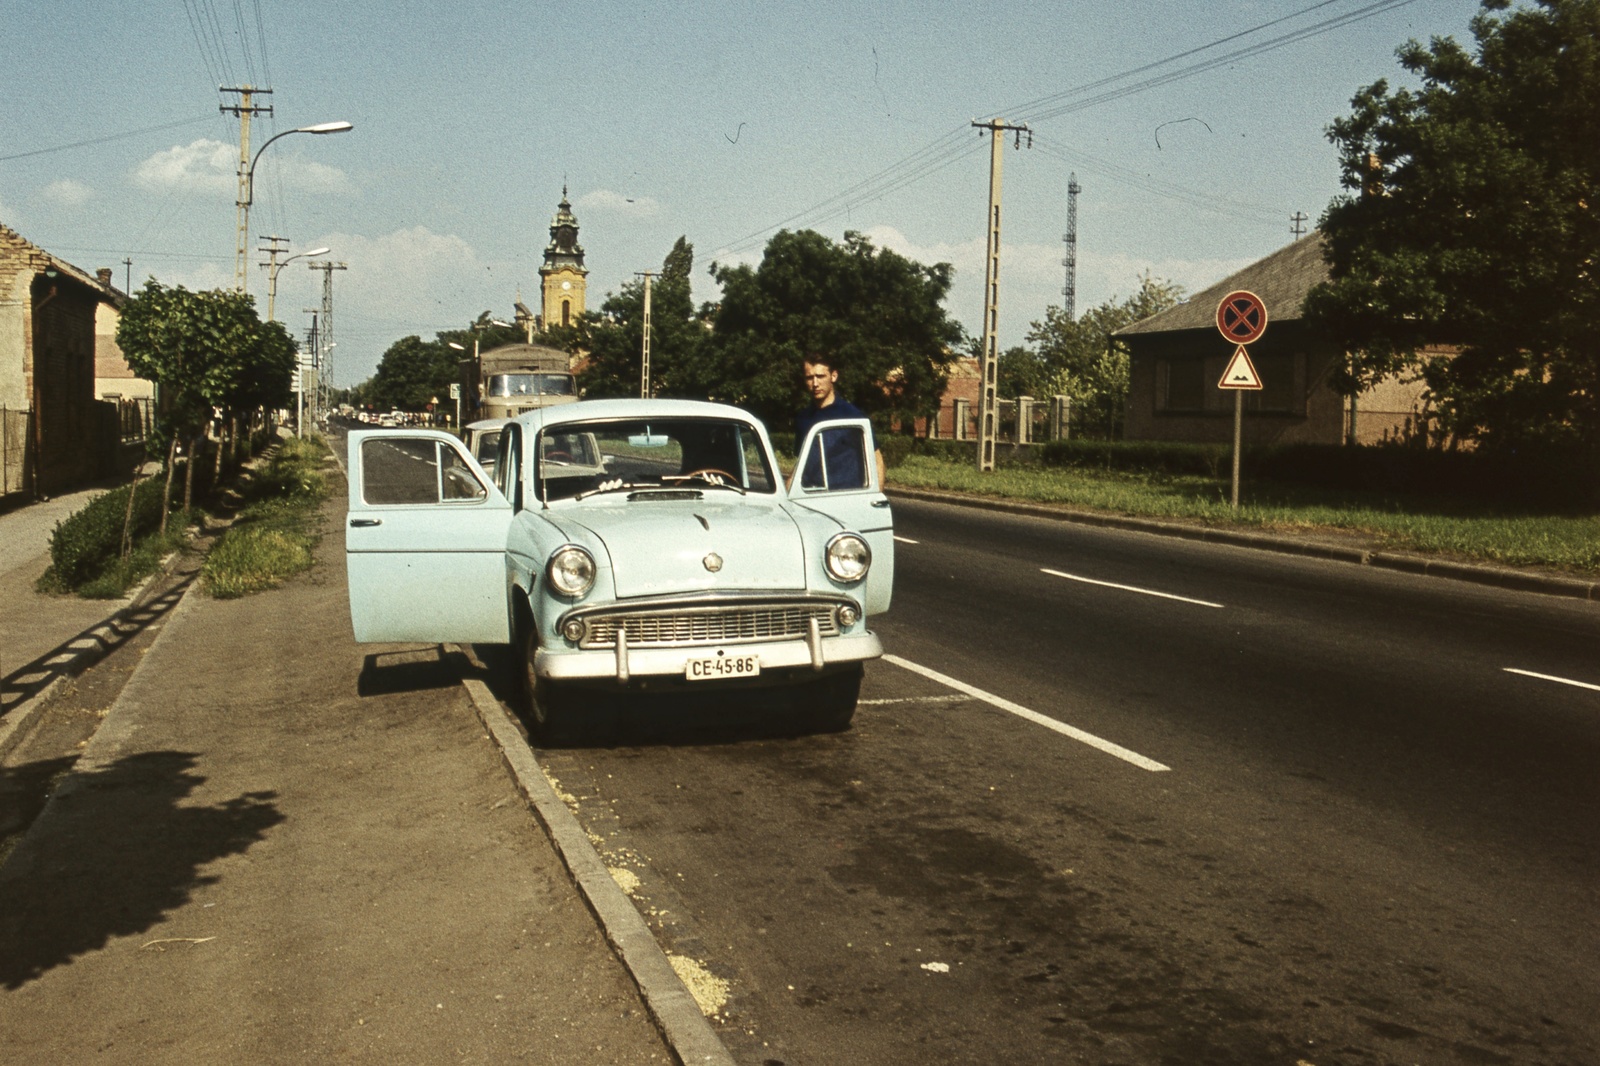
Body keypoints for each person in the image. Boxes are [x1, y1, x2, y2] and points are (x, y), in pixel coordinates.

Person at [793, 356, 886, 490]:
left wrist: (876, 496)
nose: (815, 383)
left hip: (845, 496)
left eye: (820, 376)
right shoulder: (803, 418)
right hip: (811, 496)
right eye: (809, 378)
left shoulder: (852, 416)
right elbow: (800, 465)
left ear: (834, 376)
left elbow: (877, 461)